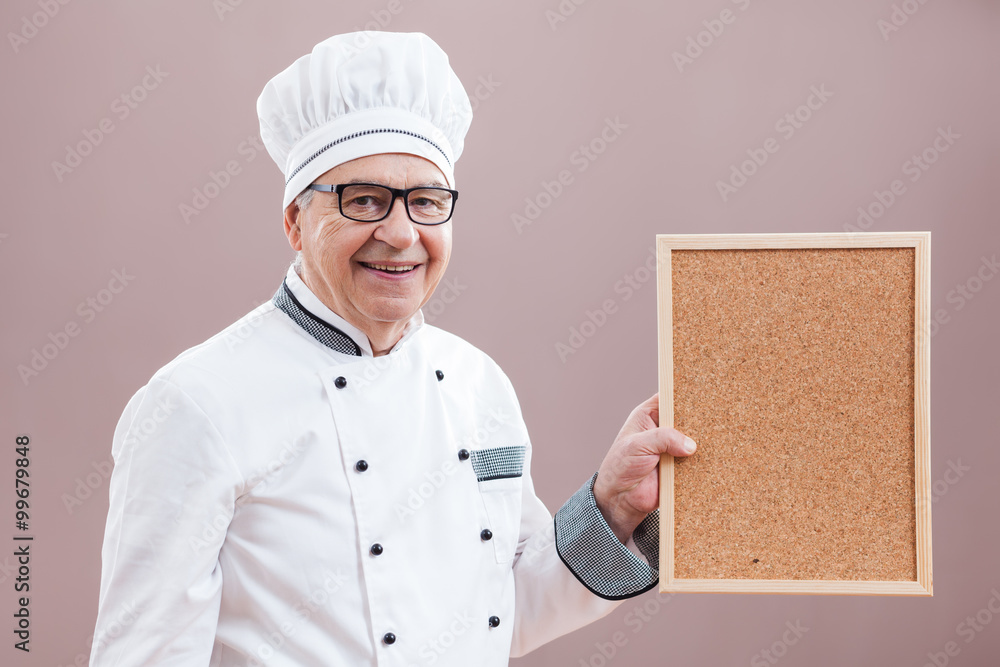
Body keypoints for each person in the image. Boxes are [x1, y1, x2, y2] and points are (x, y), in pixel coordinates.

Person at [89, 31, 697, 666]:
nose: (402, 233)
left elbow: (500, 616)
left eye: (427, 202)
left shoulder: (477, 382)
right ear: (295, 221)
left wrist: (613, 504)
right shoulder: (196, 404)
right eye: (364, 200)